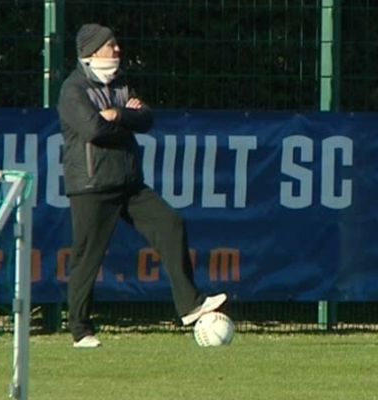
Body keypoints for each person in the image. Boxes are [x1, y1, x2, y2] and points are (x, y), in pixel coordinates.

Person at [57, 23, 226, 348]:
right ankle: (80, 330)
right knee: (87, 257)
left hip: (130, 182)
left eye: (117, 44)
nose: (117, 50)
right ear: (92, 51)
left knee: (171, 223)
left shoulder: (120, 84)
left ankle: (190, 305)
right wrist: (121, 119)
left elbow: (145, 119)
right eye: (110, 46)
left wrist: (117, 115)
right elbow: (94, 131)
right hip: (93, 185)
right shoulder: (73, 90)